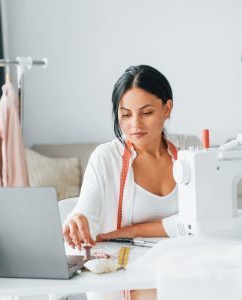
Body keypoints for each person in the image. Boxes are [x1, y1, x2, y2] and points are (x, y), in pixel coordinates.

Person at [63, 65, 199, 300]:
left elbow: (202, 220)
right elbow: (86, 213)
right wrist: (77, 220)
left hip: (181, 268)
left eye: (146, 113)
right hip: (125, 276)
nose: (135, 124)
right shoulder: (105, 158)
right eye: (126, 114)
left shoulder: (190, 148)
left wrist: (130, 231)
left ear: (167, 108)